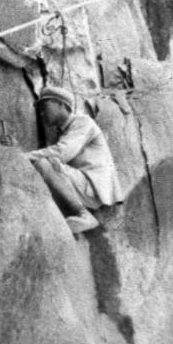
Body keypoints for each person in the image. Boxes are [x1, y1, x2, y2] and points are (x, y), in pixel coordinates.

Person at [25, 86, 123, 234]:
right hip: (83, 184)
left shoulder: (83, 122)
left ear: (61, 104)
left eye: (45, 106)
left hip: (94, 187)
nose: (41, 112)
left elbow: (62, 152)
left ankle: (84, 214)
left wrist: (23, 156)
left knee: (45, 163)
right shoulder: (63, 131)